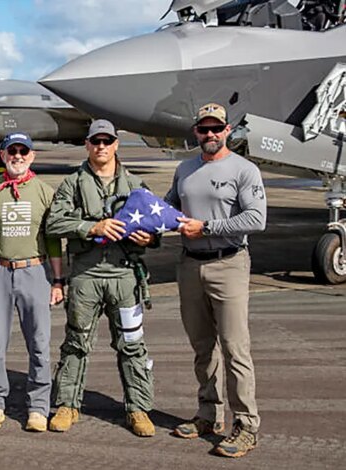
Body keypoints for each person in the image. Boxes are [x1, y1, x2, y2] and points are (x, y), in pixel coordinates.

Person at [165, 103, 266, 458]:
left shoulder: (244, 170)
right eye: (203, 129)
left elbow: (256, 218)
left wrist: (207, 227)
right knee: (202, 347)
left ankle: (247, 425)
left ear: (227, 131)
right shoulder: (185, 169)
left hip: (229, 264)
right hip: (190, 266)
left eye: (216, 129)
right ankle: (209, 414)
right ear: (195, 131)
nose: (210, 135)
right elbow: (169, 209)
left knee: (235, 348)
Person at [46, 119, 156, 436]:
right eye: (96, 141)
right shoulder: (73, 183)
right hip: (86, 275)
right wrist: (90, 228)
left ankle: (138, 409)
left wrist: (149, 239)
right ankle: (68, 405)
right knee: (76, 342)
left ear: (116, 144)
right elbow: (54, 223)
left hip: (125, 276)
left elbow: (156, 224)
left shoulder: (136, 185)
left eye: (107, 141)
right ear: (87, 144)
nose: (101, 147)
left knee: (132, 345)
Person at [0, 132, 64, 432]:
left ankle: (38, 407)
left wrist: (58, 280)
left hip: (34, 271)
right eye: (12, 151)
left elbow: (52, 241)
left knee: (39, 342)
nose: (18, 156)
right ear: (3, 155)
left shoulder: (45, 192)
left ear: (32, 155)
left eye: (24, 151)